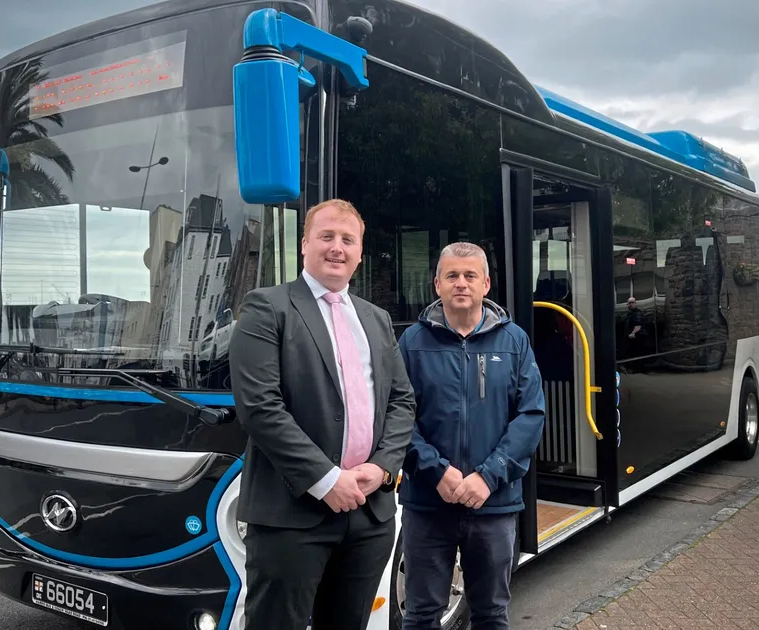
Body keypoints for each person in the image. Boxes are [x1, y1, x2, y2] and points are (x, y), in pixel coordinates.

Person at [228, 199, 416, 630]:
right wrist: (326, 480)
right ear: (304, 245)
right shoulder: (265, 308)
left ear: (359, 253)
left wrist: (383, 468)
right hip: (292, 517)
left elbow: (402, 401)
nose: (337, 247)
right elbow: (259, 407)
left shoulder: (377, 319)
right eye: (326, 236)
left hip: (370, 515)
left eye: (347, 239)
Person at [396, 241, 546, 630]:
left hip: (493, 505)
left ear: (486, 284)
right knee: (421, 614)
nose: (461, 283)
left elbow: (531, 415)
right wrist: (435, 472)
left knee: (491, 614)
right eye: (452, 276)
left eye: (469, 276)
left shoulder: (515, 342)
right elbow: (396, 418)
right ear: (437, 284)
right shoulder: (411, 343)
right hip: (428, 505)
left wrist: (488, 476)